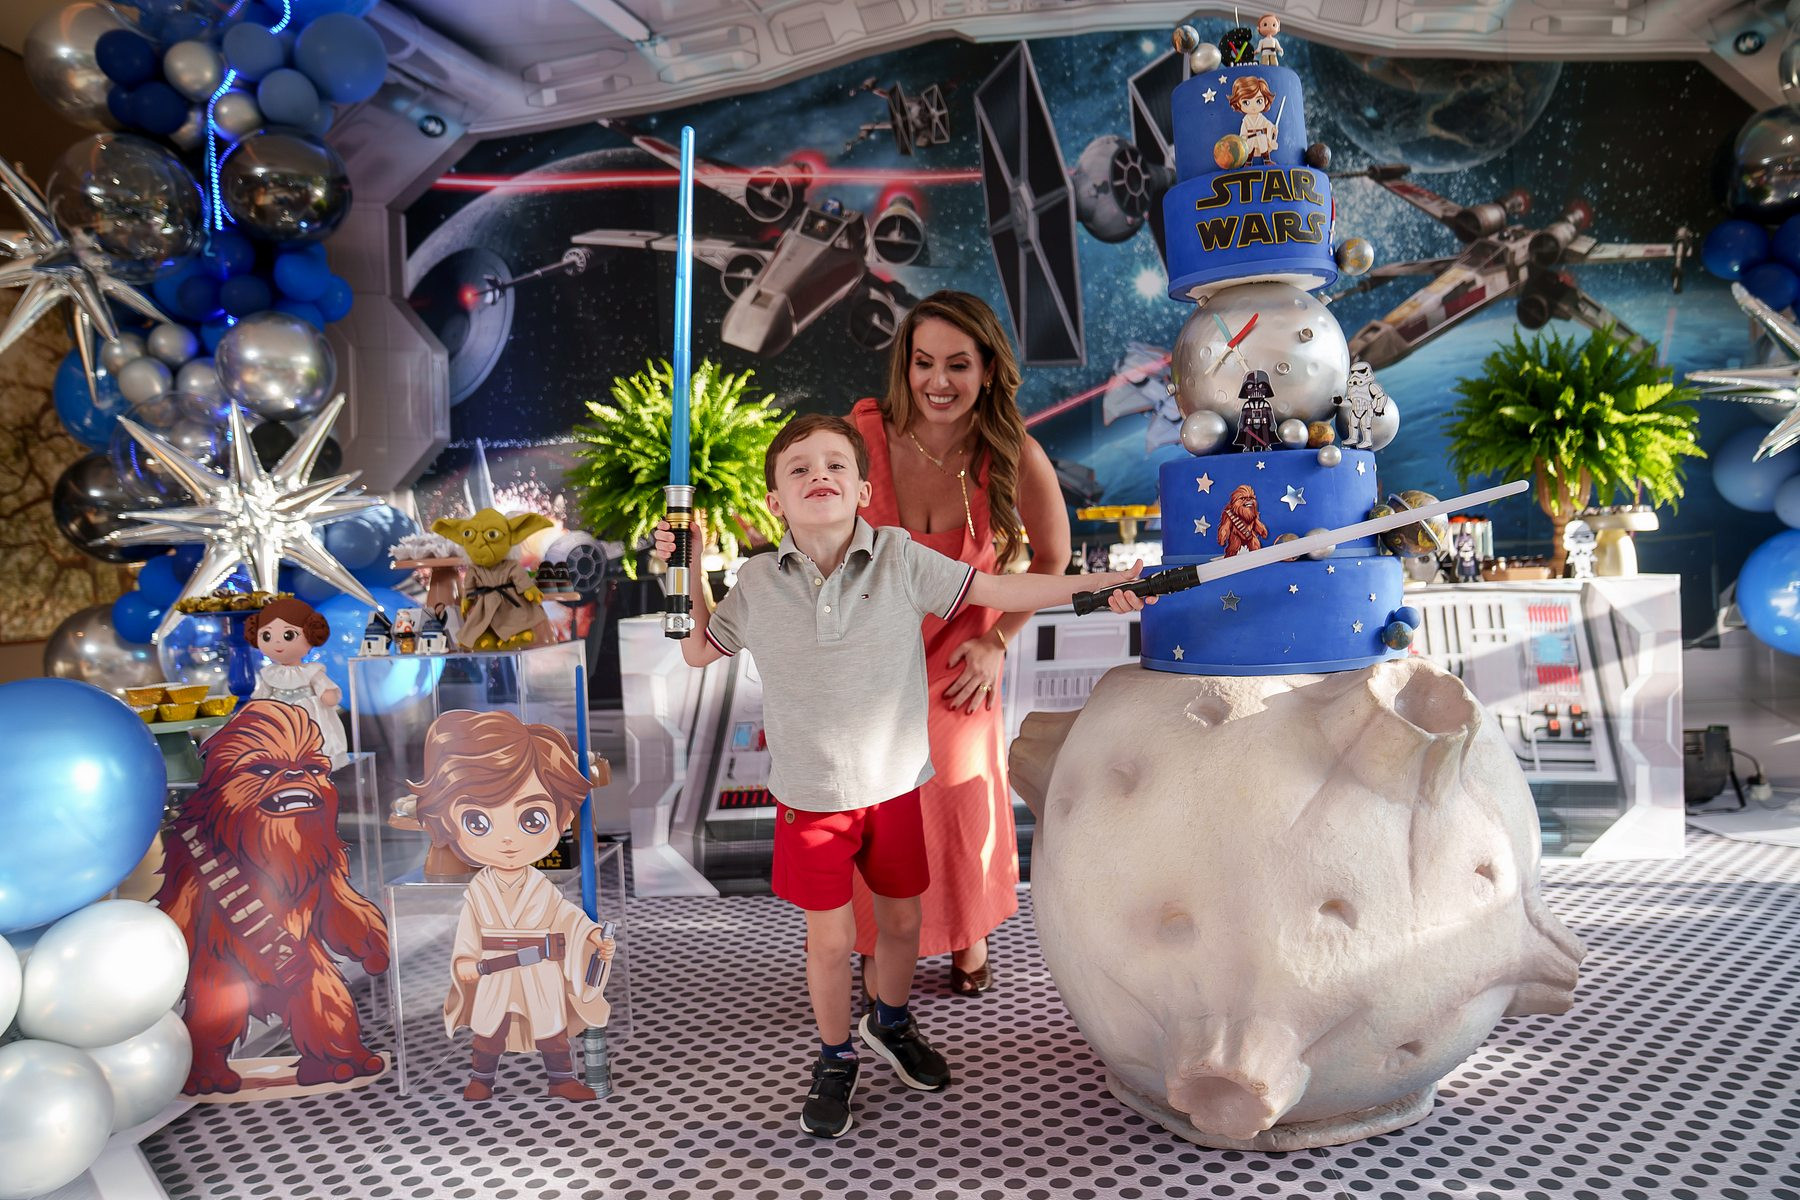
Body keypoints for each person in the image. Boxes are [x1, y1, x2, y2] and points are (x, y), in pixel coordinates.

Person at [652, 413, 1147, 1138]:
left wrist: (1106, 585)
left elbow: (999, 591)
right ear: (775, 502)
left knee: (904, 922)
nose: (819, 475)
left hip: (893, 792)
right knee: (830, 943)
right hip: (811, 803)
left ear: (862, 490)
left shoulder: (899, 557)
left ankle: (890, 1020)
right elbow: (698, 650)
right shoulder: (757, 581)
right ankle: (834, 1056)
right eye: (799, 469)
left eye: (835, 465)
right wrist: (687, 568)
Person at [846, 291, 1071, 999]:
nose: (938, 381)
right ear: (905, 366)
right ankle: (879, 939)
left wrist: (997, 641)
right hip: (869, 666)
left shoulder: (1013, 453)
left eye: (958, 365)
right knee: (877, 806)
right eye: (924, 363)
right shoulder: (859, 438)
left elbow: (1054, 560)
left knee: (950, 798)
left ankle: (967, 932)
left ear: (988, 369)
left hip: (959, 664)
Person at [413, 709, 617, 1102]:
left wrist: (592, 936)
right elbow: (468, 932)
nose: (507, 840)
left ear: (560, 818)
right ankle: (481, 1078)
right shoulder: (479, 891)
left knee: (550, 1025)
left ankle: (561, 1078)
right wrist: (465, 960)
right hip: (494, 966)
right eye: (478, 823)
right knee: (490, 1026)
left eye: (531, 819)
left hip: (539, 967)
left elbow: (567, 918)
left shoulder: (541, 887)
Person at [246, 597, 348, 766]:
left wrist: (327, 694)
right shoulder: (270, 674)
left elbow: (325, 690)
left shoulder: (310, 671)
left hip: (308, 716)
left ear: (310, 634)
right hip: (278, 716)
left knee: (311, 741)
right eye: (267, 635)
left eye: (288, 635)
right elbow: (261, 696)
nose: (277, 642)